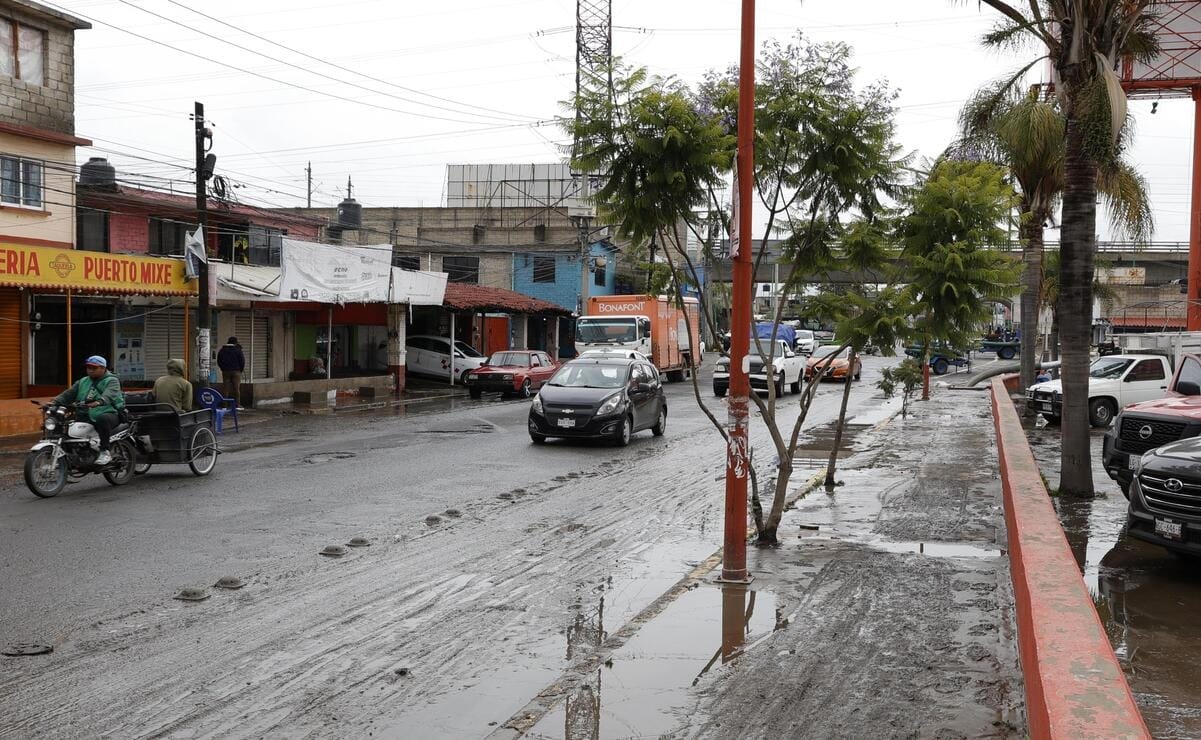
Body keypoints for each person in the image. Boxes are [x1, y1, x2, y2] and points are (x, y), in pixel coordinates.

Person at [53, 355, 122, 465]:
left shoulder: (112, 381)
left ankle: (105, 451)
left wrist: (98, 402)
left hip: (109, 412)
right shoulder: (83, 381)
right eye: (88, 367)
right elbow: (68, 394)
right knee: (67, 424)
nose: (90, 370)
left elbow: (109, 395)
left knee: (103, 419)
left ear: (103, 368)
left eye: (94, 368)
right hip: (85, 413)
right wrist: (54, 402)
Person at [217, 336, 245, 409]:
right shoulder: (238, 350)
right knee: (236, 389)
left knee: (225, 389)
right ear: (235, 342)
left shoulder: (222, 350)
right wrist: (240, 370)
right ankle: (237, 405)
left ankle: (224, 405)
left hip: (225, 371)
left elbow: (219, 360)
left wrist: (223, 368)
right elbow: (242, 361)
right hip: (236, 371)